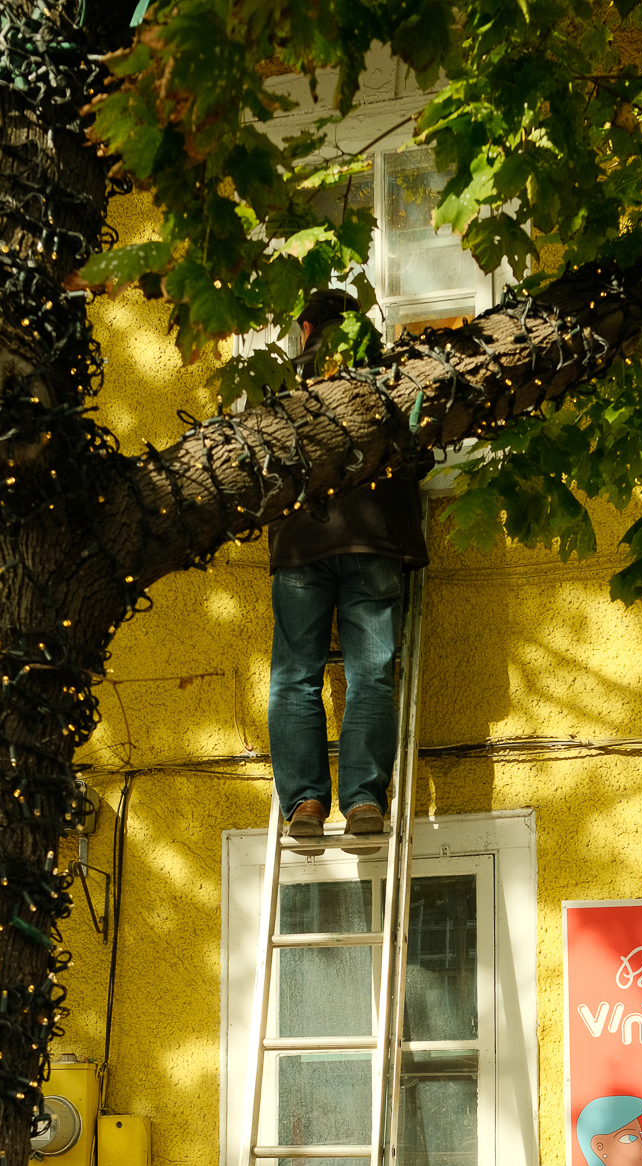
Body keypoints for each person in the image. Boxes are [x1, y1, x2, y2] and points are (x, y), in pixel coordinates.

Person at [267, 290, 429, 847]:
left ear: (306, 328)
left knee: (294, 677)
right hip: (372, 538)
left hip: (301, 543)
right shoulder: (389, 382)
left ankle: (305, 802)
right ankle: (363, 800)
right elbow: (419, 453)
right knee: (370, 676)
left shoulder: (280, 389)